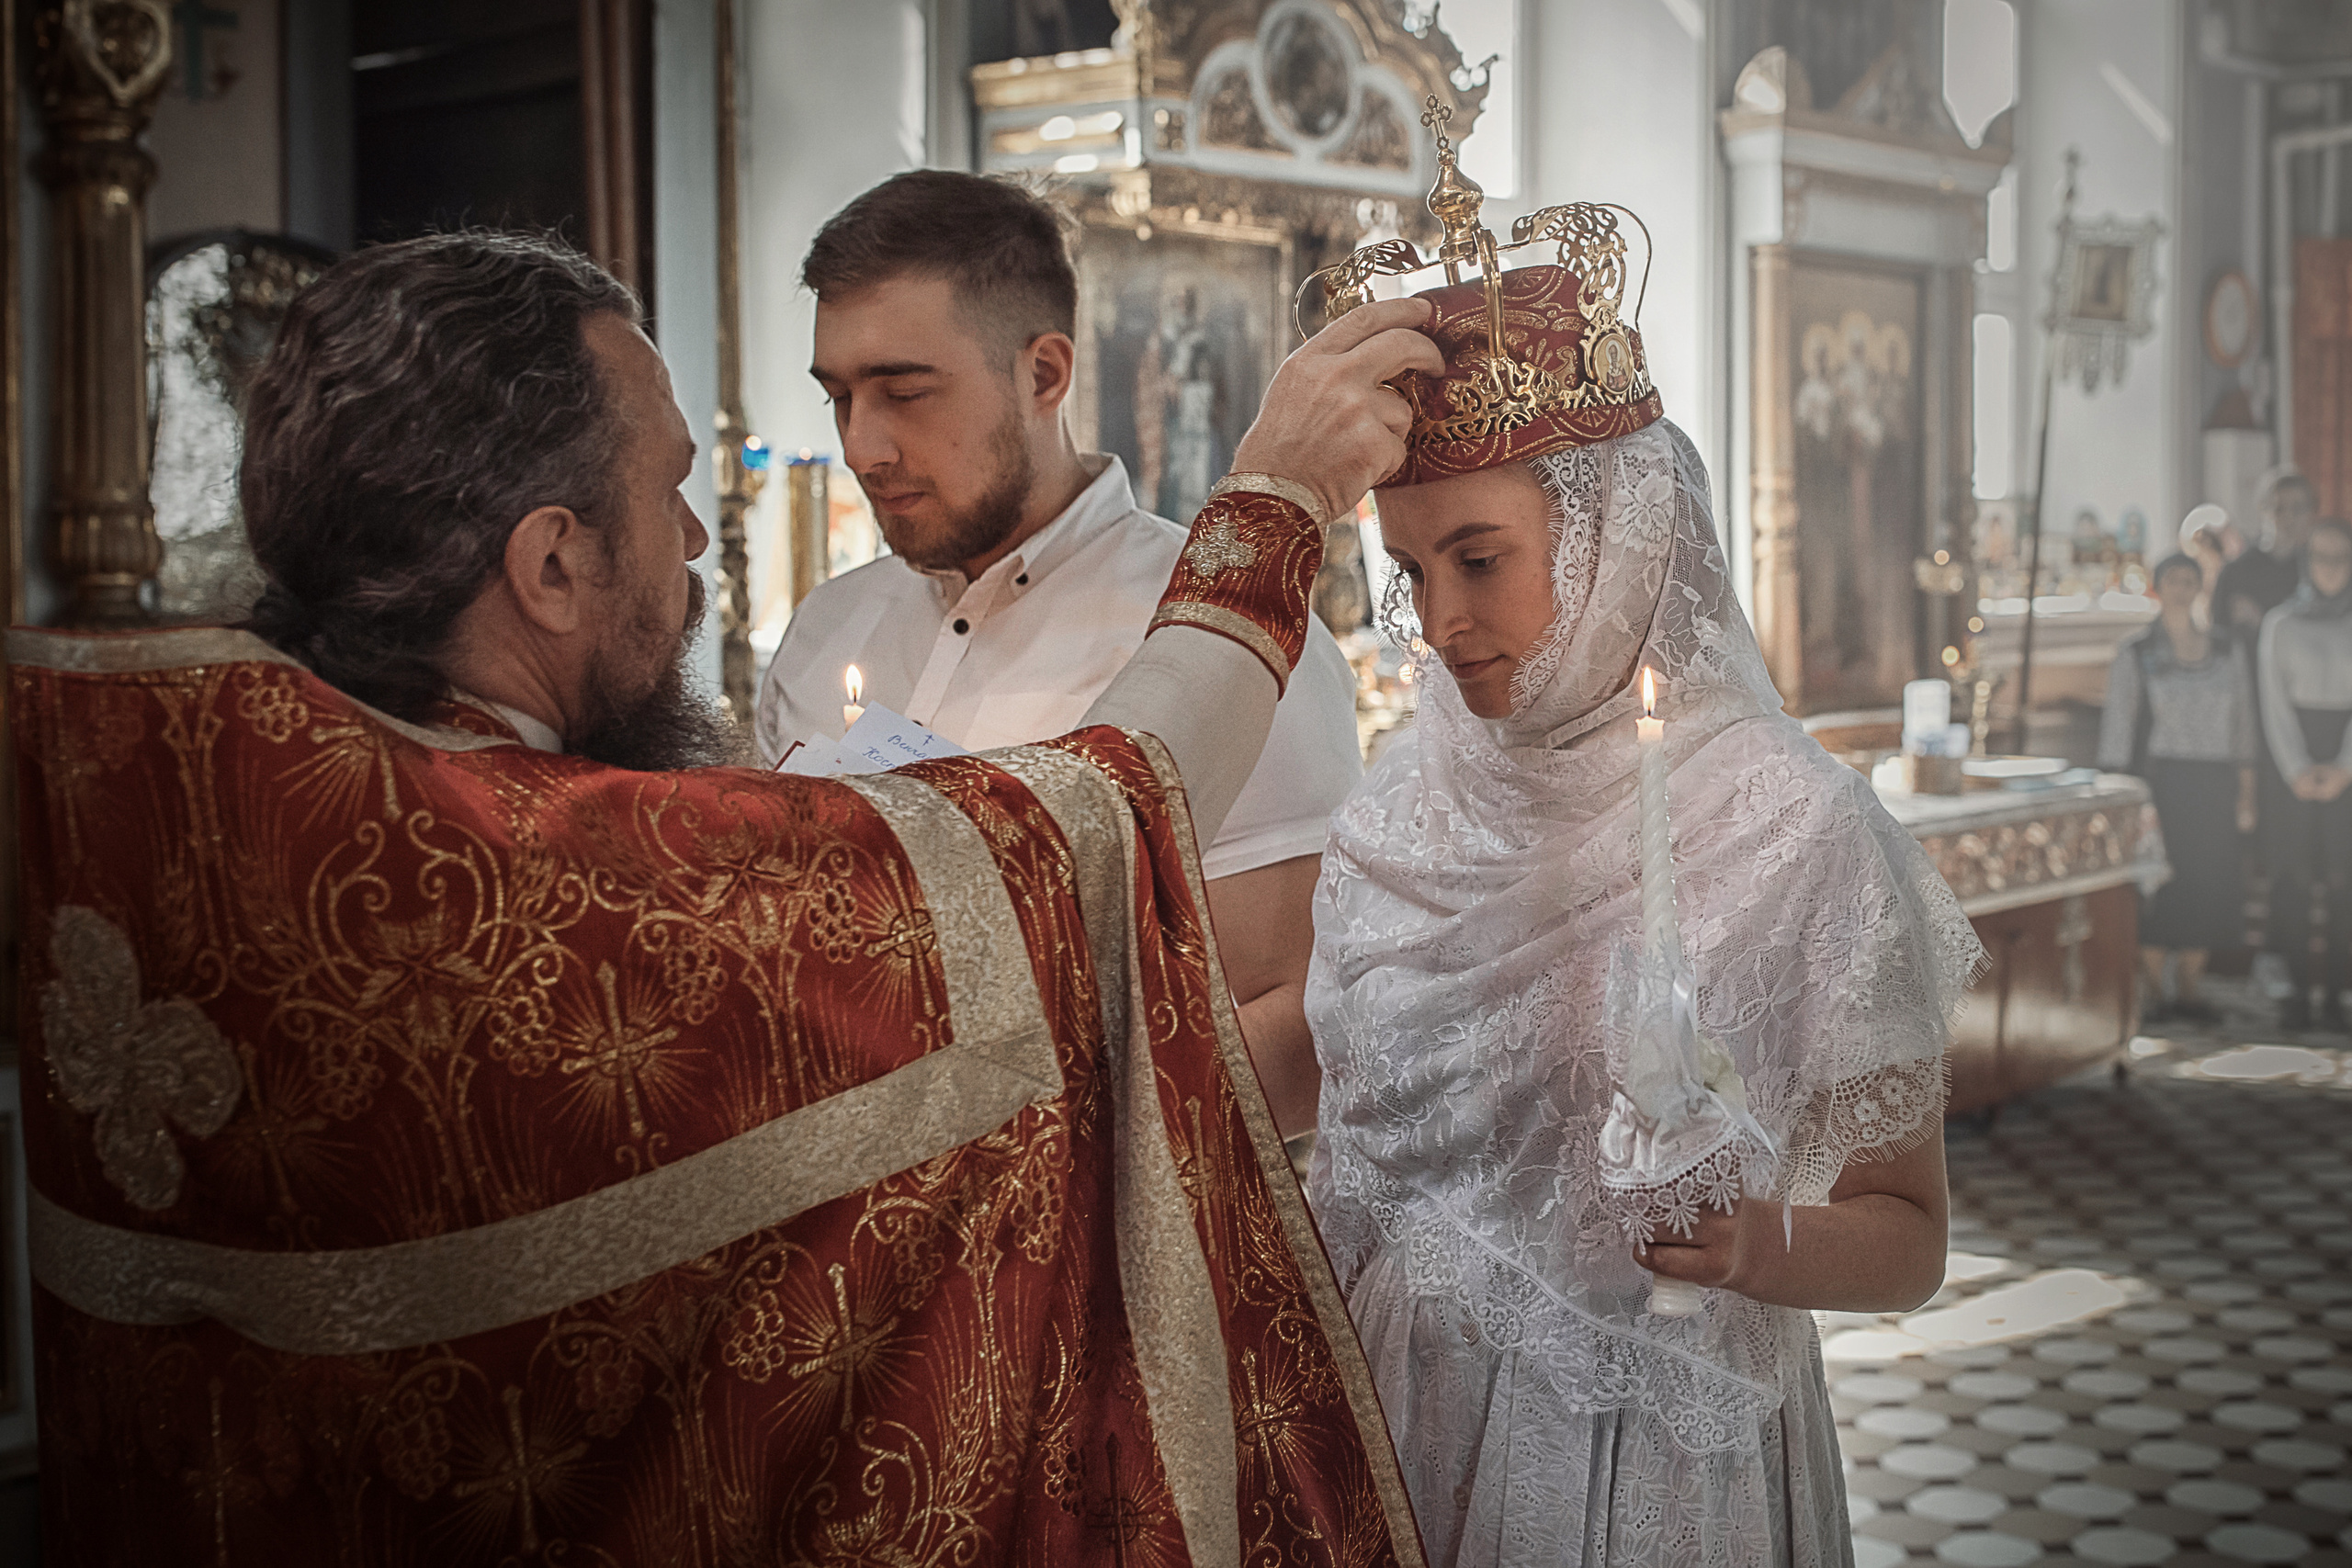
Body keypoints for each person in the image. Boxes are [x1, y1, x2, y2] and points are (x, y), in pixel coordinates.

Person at [12, 230, 1447, 1564]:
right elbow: (1082, 828)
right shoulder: (571, 891)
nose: (699, 541)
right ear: (555, 560)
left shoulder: (162, 808)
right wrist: (1277, 503)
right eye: (669, 491)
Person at [1303, 261, 1980, 1563]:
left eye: (1480, 558)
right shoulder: (1403, 817)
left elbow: (1911, 1241)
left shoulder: (1799, 829)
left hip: (1661, 1458)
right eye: (1409, 567)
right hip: (1393, 1422)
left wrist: (1752, 1240)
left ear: (1616, 528)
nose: (1440, 621)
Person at [755, 172, 1362, 1139]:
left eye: (904, 392)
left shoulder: (1223, 640)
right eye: (838, 397)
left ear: (1044, 374)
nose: (862, 447)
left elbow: (1293, 1020)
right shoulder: (829, 629)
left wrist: (1008, 1161)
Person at [2097, 554, 2259, 1022]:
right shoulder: (2137, 652)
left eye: (2191, 580)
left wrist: (2246, 793)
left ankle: (2190, 987)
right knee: (2159, 885)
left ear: (2201, 587)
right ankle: (2153, 989)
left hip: (2214, 784)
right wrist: (2119, 795)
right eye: (2174, 580)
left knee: (2210, 883)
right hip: (2158, 785)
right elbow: (2118, 729)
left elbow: (2243, 724)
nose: (2182, 588)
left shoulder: (2227, 650)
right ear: (2157, 587)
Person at [2256, 516, 2352, 1031]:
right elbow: (2272, 703)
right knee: (2291, 884)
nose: (2331, 568)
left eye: (2341, 557)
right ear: (2306, 563)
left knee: (2345, 885)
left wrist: (2344, 768)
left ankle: (2338, 996)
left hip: (2348, 766)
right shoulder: (2281, 623)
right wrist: (2296, 768)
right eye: (2321, 557)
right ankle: (2293, 994)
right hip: (2289, 764)